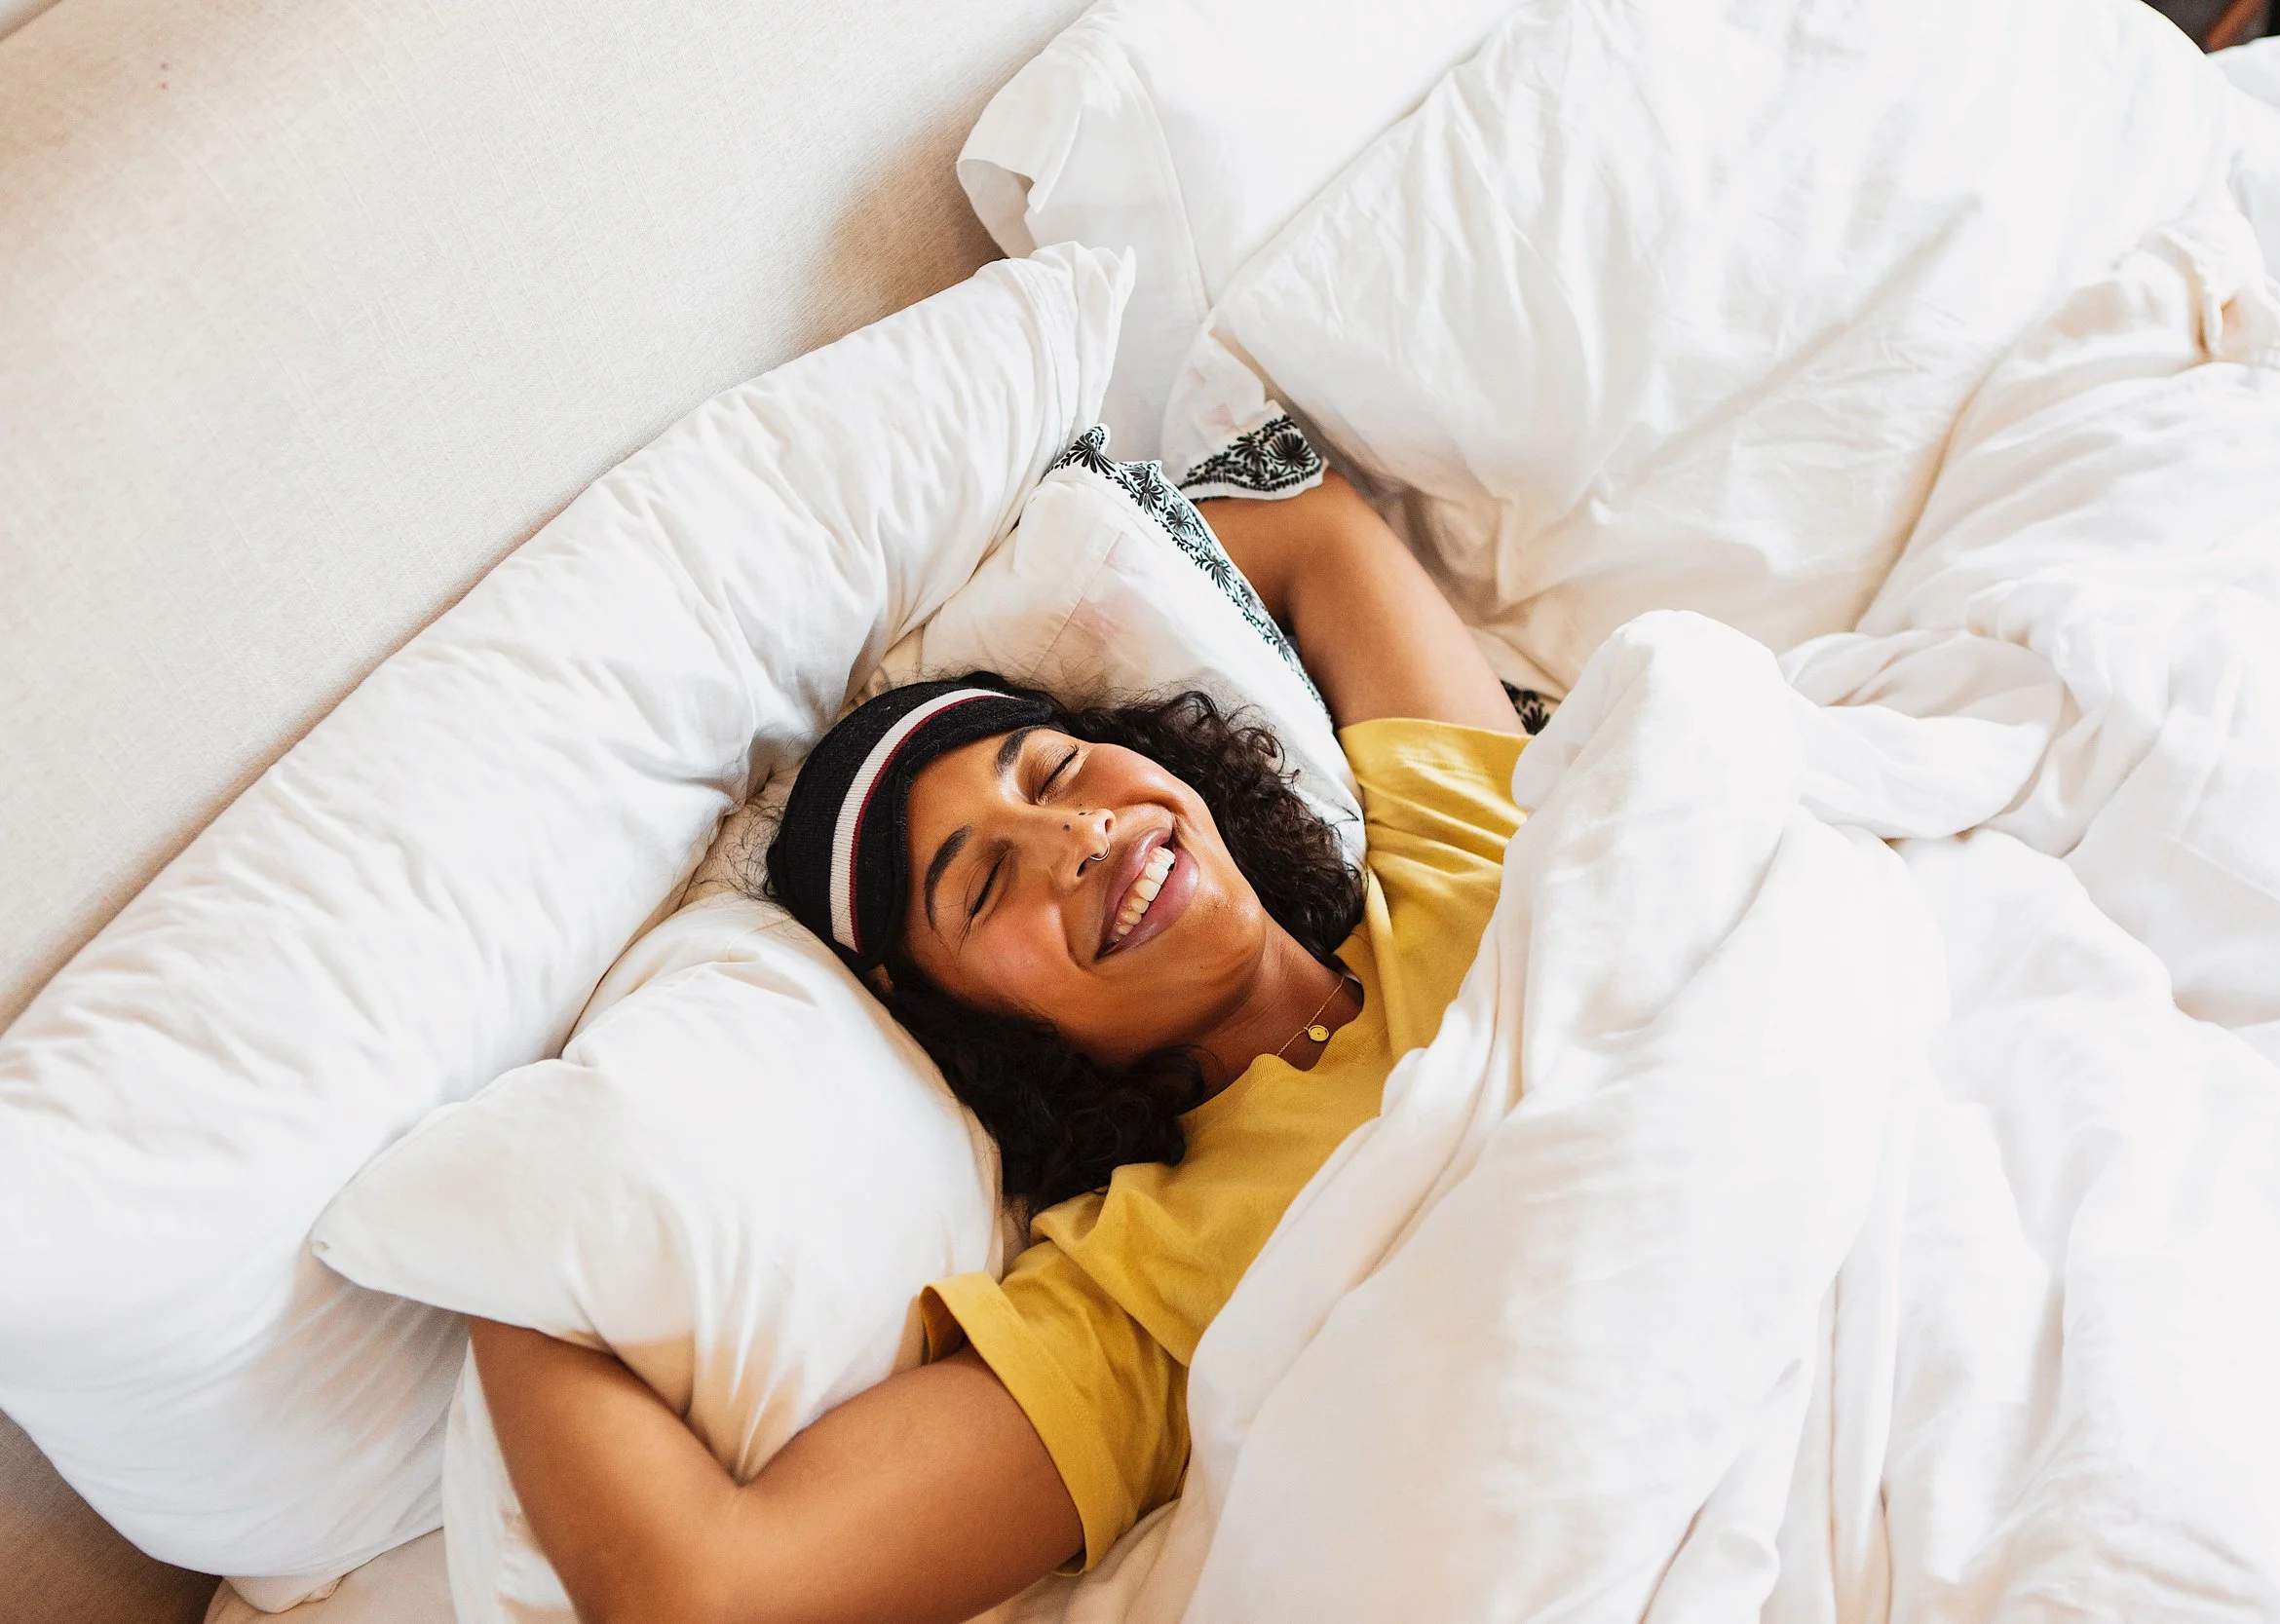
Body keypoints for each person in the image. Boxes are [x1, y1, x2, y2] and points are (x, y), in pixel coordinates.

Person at [469, 438, 1531, 1624]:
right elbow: (714, 1591)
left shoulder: (1463, 844)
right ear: (986, 1033)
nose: (1072, 839)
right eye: (981, 888)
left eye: (1056, 767)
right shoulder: (1142, 1287)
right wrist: (507, 1241)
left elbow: (1318, 525)